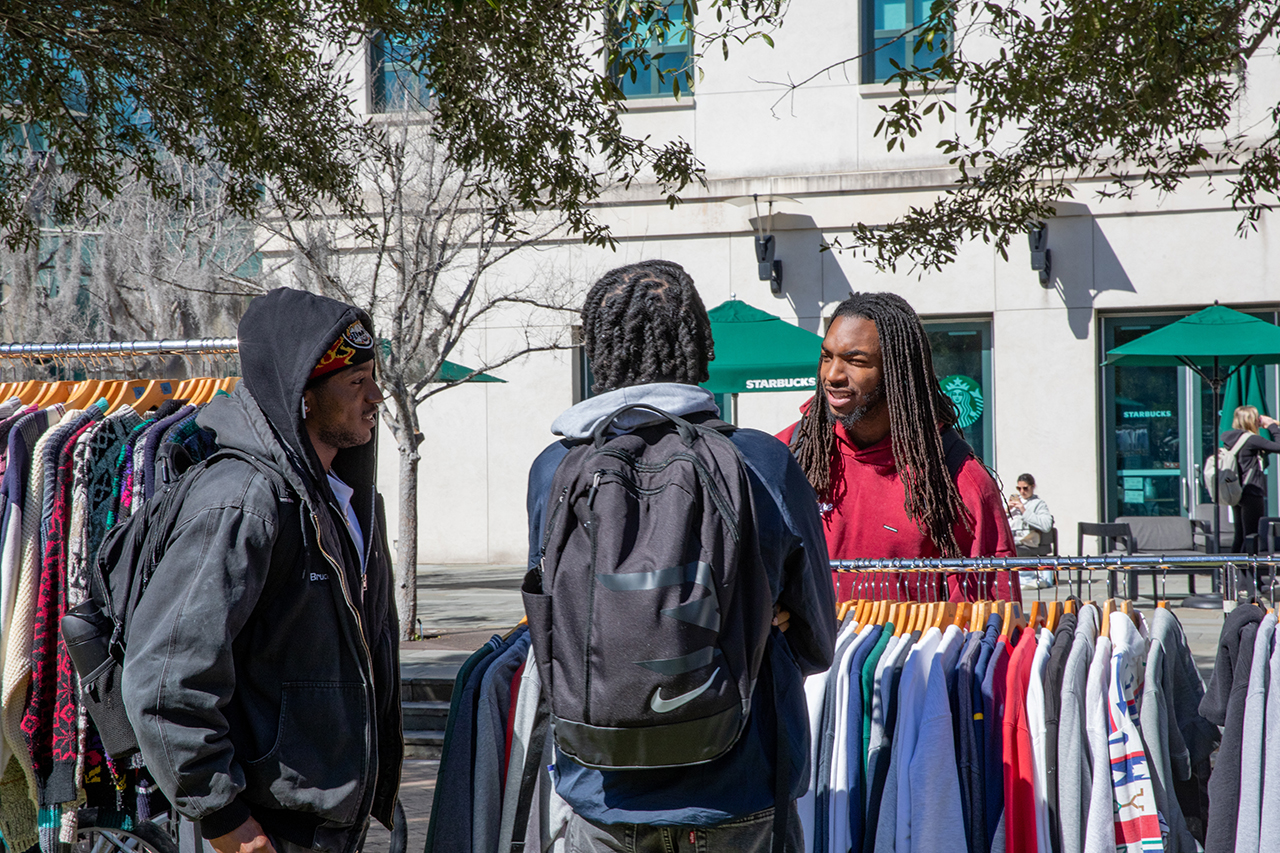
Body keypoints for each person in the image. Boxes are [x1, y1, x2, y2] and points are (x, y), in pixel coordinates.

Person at [525, 260, 836, 851]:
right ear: (702, 346)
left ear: (599, 352)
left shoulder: (554, 471)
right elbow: (817, 641)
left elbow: (556, 618)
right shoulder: (760, 462)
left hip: (601, 791)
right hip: (739, 790)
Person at [123, 289, 402, 853]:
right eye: (356, 382)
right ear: (302, 395)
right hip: (268, 828)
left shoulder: (341, 499)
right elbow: (165, 677)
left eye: (375, 376)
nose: (377, 396)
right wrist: (225, 819)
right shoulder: (244, 501)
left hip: (325, 822)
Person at [777, 291, 1018, 602]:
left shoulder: (958, 482)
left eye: (855, 361)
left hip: (906, 650)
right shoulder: (789, 454)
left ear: (897, 373)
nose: (832, 374)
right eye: (827, 357)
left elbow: (986, 624)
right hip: (806, 652)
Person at [1221, 405, 1280, 554]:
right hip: (1252, 490)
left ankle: (1233, 574)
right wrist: (1272, 426)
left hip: (1236, 490)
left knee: (1240, 535)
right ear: (1252, 421)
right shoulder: (1252, 439)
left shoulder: (1230, 438)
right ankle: (1247, 575)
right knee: (1252, 535)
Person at [1007, 473, 1055, 586]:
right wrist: (1007, 510)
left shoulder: (1039, 504)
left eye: (1025, 488)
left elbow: (1046, 525)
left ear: (1032, 487)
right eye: (1019, 488)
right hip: (1011, 540)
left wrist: (1024, 511)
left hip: (1027, 542)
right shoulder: (1014, 504)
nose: (1022, 491)